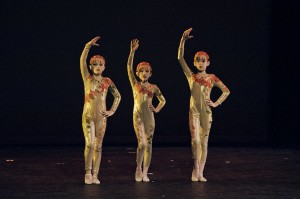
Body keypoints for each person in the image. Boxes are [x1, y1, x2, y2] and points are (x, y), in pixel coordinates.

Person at [178, 28, 230, 182]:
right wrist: (182, 40)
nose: (200, 63)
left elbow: (226, 91)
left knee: (205, 142)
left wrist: (215, 103)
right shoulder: (191, 76)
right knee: (196, 141)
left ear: (208, 62)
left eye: (203, 60)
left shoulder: (212, 78)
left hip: (206, 113)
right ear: (194, 62)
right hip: (194, 113)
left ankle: (201, 172)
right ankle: (195, 170)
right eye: (198, 60)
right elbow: (180, 58)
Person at [80, 36, 121, 184]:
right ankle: (87, 172)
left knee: (98, 146)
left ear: (104, 66)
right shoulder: (87, 78)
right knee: (89, 144)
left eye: (100, 64)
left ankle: (96, 174)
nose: (97, 66)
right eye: (95, 64)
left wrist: (112, 111)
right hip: (88, 115)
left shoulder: (107, 81)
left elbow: (118, 96)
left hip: (102, 118)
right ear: (90, 67)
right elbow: (82, 61)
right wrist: (87, 46)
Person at [127, 39, 166, 182]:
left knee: (148, 144)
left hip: (150, 118)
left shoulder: (153, 87)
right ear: (138, 73)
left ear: (150, 73)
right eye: (141, 71)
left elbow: (163, 100)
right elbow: (128, 68)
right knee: (141, 143)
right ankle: (138, 168)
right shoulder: (135, 84)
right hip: (137, 116)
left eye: (147, 71)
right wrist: (132, 52)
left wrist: (156, 109)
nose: (144, 73)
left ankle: (145, 172)